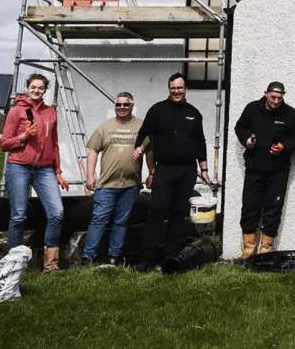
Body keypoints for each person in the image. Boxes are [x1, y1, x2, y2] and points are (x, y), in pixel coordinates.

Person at [132, 73, 210, 272]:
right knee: (157, 211)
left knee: (178, 213)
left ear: (186, 90)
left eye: (180, 88)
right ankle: (146, 258)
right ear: (169, 89)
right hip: (164, 169)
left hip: (187, 170)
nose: (176, 91)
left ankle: (172, 256)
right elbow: (143, 132)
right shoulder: (158, 110)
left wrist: (205, 169)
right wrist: (139, 147)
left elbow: (200, 142)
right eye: (173, 88)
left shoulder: (194, 113)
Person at [1, 73, 70, 274]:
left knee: (57, 212)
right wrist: (23, 137)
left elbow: (54, 143)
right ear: (28, 87)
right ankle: (15, 264)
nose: (36, 90)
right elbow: (4, 143)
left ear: (45, 90)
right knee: (19, 215)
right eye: (33, 87)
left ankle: (50, 264)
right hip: (19, 167)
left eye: (40, 88)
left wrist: (58, 171)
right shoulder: (16, 111)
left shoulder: (50, 113)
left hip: (45, 169)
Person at [81, 91, 154, 267]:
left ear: (131, 106)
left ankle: (114, 256)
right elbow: (92, 152)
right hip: (107, 184)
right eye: (118, 104)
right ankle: (87, 257)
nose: (122, 107)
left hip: (131, 184)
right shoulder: (104, 127)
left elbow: (150, 151)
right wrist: (90, 176)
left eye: (125, 104)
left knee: (121, 222)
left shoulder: (142, 126)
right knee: (99, 220)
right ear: (115, 107)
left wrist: (152, 173)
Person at [235, 81, 295, 257]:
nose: (275, 101)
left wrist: (283, 146)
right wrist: (246, 140)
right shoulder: (252, 109)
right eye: (273, 97)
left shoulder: (290, 113)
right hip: (254, 168)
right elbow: (240, 127)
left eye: (279, 98)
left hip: (278, 171)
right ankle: (248, 249)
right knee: (250, 207)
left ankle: (266, 250)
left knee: (273, 208)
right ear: (266, 94)